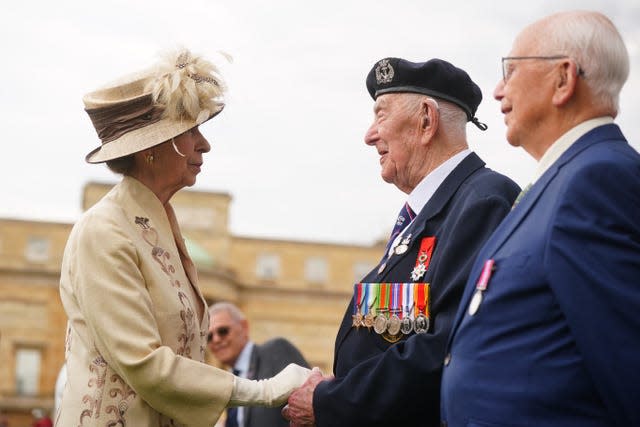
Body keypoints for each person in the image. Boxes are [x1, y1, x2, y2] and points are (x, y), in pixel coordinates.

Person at [56, 47, 310, 427]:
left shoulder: (156, 226)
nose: (203, 144)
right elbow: (146, 365)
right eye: (190, 131)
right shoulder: (103, 230)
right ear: (152, 150)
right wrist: (265, 389)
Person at [283, 57, 520, 426]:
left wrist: (333, 400)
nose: (369, 134)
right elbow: (394, 334)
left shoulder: (483, 201)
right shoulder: (422, 218)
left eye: (381, 115)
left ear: (426, 120)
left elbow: (447, 344)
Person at [440, 11, 640, 427]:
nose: (497, 90)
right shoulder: (565, 180)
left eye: (509, 71)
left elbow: (627, 365)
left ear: (564, 79)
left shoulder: (597, 180)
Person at [208, 302, 310, 427]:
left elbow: (310, 405)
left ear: (244, 327)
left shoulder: (276, 351)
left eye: (223, 331)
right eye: (209, 337)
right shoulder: (230, 379)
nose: (216, 339)